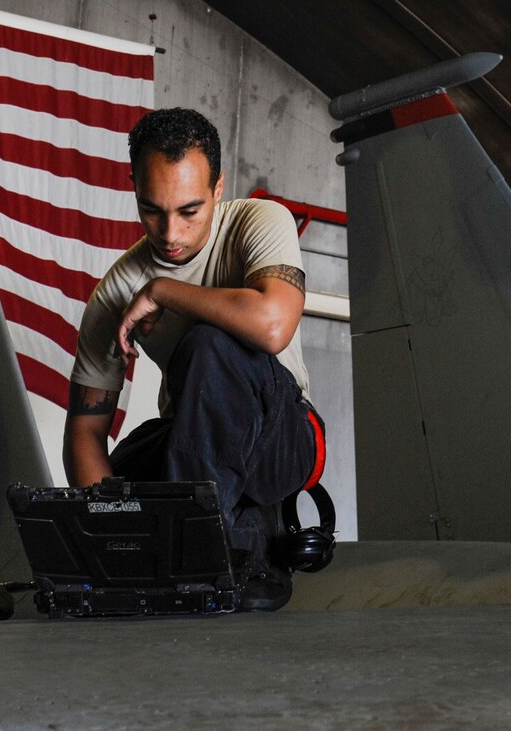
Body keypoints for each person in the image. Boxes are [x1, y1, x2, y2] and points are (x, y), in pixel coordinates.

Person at [64, 108, 323, 612]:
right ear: (133, 185)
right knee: (127, 468)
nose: (170, 233)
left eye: (189, 210)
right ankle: (213, 537)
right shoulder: (115, 292)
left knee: (209, 344)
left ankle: (210, 553)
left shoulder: (257, 221)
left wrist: (165, 290)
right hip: (196, 439)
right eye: (152, 210)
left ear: (218, 188)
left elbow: (273, 325)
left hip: (286, 439)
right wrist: (116, 529)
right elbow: (85, 430)